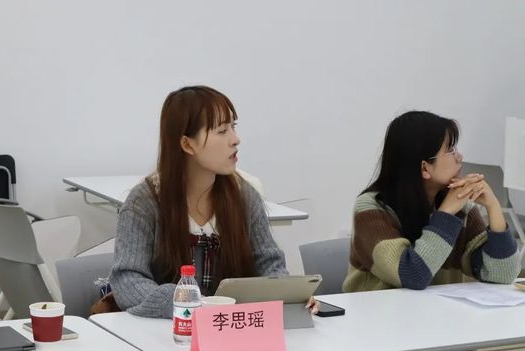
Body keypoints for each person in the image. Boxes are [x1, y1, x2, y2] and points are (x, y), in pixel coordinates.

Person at [108, 85, 318, 318]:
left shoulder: (244, 196)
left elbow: (269, 263)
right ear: (187, 144)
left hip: (229, 329)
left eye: (233, 127)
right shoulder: (144, 203)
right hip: (163, 330)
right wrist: (184, 303)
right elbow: (127, 279)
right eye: (222, 131)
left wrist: (288, 294)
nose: (235, 140)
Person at [343, 110, 520, 292]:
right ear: (425, 168)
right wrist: (445, 214)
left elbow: (503, 274)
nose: (460, 157)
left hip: (435, 309)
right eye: (450, 150)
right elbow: (412, 275)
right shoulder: (371, 209)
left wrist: (493, 206)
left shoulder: (459, 206)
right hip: (375, 309)